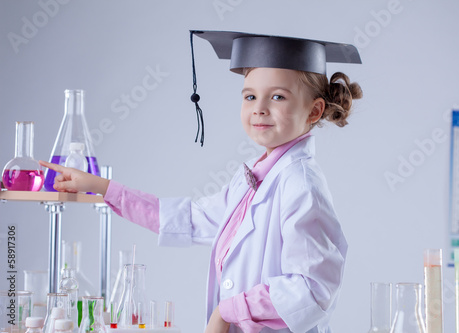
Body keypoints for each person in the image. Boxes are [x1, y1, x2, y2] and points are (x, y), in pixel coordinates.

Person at [40, 30, 362, 333]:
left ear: (314, 111)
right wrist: (101, 187)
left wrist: (227, 310)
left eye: (277, 97)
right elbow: (191, 218)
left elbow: (312, 288)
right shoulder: (253, 177)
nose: (259, 109)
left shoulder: (300, 185)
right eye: (249, 96)